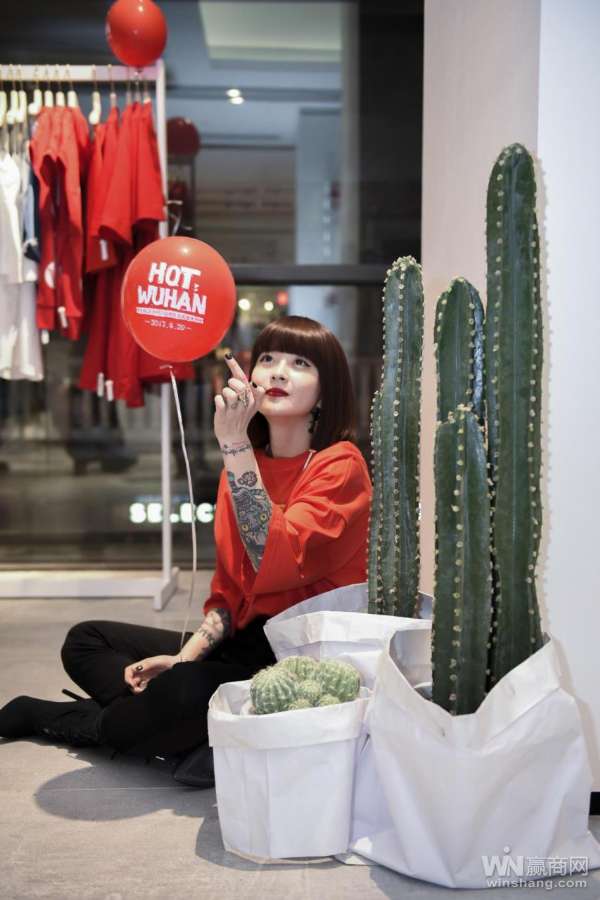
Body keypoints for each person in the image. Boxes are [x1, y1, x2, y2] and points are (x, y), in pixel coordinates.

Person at [0, 315, 373, 787]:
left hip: (293, 663)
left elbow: (275, 558)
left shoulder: (340, 464)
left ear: (325, 390)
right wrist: (185, 656)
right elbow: (231, 593)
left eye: (301, 363)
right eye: (267, 358)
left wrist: (234, 443)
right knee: (86, 640)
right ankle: (189, 735)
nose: (279, 372)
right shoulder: (245, 464)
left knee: (180, 692)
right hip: (238, 646)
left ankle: (77, 722)